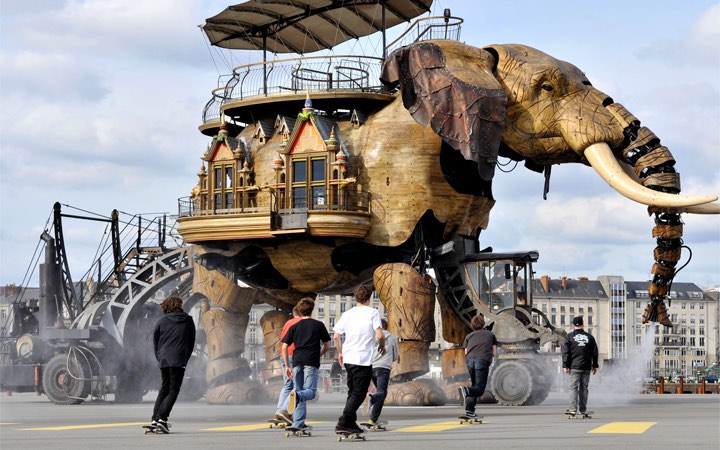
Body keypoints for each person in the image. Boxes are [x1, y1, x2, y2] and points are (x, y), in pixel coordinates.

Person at [333, 284, 385, 434]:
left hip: (349, 357)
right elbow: (380, 335)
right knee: (360, 393)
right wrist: (382, 345)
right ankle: (343, 422)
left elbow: (336, 336)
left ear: (356, 298)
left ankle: (350, 423)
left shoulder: (347, 313)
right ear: (369, 298)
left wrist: (340, 352)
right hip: (362, 358)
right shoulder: (372, 313)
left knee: (352, 392)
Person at [281, 298, 330, 431]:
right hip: (311, 362)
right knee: (310, 392)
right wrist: (318, 354)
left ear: (299, 310)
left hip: (297, 362)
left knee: (299, 391)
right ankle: (296, 399)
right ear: (312, 309)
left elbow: (284, 347)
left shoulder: (294, 326)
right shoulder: (318, 325)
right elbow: (327, 345)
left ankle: (298, 423)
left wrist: (287, 366)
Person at [151, 296, 196, 433]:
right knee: (173, 390)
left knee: (164, 389)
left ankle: (154, 419)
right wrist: (184, 359)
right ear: (179, 305)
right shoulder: (188, 321)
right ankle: (162, 419)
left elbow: (155, 342)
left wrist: (160, 358)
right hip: (178, 359)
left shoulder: (161, 321)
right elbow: (191, 343)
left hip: (164, 359)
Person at [458, 314, 496, 418]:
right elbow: (494, 352)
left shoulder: (469, 336)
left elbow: (465, 352)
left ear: (472, 325)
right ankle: (465, 390)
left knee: (475, 386)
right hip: (482, 361)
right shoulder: (491, 335)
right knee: (479, 389)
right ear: (483, 323)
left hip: (470, 361)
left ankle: (469, 411)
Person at [363, 318, 398, 426]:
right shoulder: (392, 337)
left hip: (371, 367)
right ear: (386, 327)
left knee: (381, 392)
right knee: (382, 392)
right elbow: (395, 356)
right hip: (383, 368)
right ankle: (372, 399)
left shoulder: (371, 337)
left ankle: (374, 419)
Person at [561, 316, 599, 416]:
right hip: (586, 367)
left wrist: (565, 365)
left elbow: (566, 352)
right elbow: (595, 352)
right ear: (583, 323)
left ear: (573, 324)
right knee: (584, 387)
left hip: (574, 367)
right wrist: (595, 365)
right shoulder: (590, 337)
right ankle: (582, 409)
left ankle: (573, 409)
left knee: (573, 387)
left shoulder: (569, 336)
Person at [273, 306, 301, 424]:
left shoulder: (288, 323)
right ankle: (285, 411)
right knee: (297, 386)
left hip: (284, 355)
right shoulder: (303, 322)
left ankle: (278, 413)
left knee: (287, 385)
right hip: (296, 354)